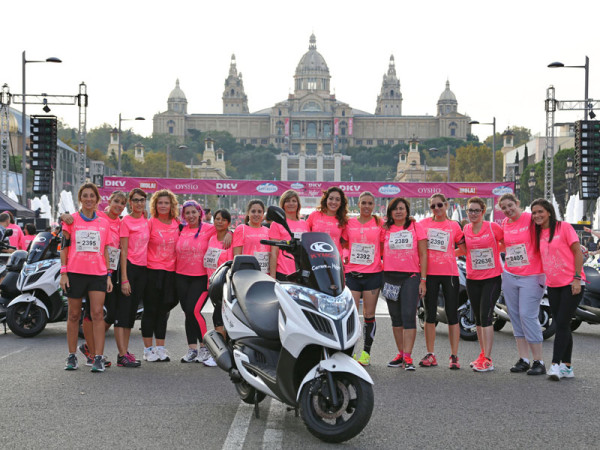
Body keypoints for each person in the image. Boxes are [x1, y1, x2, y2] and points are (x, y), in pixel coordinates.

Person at [60, 183, 112, 372]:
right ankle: (72, 355)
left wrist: (108, 275)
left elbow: (105, 250)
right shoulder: (70, 220)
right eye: (85, 196)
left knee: (98, 314)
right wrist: (63, 273)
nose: (88, 199)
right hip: (74, 273)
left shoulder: (103, 223)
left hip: (97, 274)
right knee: (73, 315)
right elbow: (64, 248)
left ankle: (98, 357)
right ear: (80, 199)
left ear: (97, 199)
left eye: (92, 196)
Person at [532, 198, 585, 380]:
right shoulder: (539, 232)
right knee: (563, 324)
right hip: (553, 285)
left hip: (572, 283)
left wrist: (577, 278)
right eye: (534, 213)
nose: (537, 215)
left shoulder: (564, 227)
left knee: (561, 323)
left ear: (548, 212)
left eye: (540, 211)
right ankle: (567, 367)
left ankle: (555, 365)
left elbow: (578, 252)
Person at [499, 193, 547, 375]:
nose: (508, 210)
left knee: (528, 315)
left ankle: (539, 361)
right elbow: (505, 245)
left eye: (510, 205)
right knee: (515, 315)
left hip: (533, 275)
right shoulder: (505, 223)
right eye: (504, 208)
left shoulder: (530, 219)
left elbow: (548, 234)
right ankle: (523, 359)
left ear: (517, 203)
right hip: (511, 275)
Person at [419, 193, 466, 369]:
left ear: (446, 205)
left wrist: (449, 254)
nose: (437, 209)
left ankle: (454, 356)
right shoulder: (423, 224)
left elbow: (464, 249)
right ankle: (431, 354)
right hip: (430, 274)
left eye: (440, 205)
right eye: (433, 206)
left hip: (450, 274)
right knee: (429, 315)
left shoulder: (454, 225)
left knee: (452, 314)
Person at [381, 197, 427, 371]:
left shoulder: (416, 227)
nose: (398, 211)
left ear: (407, 211)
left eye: (402, 208)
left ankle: (408, 356)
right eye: (395, 209)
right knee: (396, 318)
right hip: (389, 277)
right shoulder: (384, 229)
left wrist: (423, 280)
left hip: (411, 277)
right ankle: (400, 353)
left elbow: (423, 254)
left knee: (409, 315)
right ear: (390, 212)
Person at [175, 200, 221, 365]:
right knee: (187, 313)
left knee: (194, 310)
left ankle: (205, 347)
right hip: (180, 276)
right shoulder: (181, 229)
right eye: (187, 213)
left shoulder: (209, 228)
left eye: (194, 212)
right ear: (184, 216)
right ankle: (192, 349)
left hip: (201, 277)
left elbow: (224, 229)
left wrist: (229, 233)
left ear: (200, 213)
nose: (191, 215)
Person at [462, 197, 504, 372]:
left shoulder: (492, 227)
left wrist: (494, 251)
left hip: (491, 278)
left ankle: (488, 359)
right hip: (473, 278)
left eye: (476, 210)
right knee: (478, 318)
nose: (473, 213)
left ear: (483, 211)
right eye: (470, 210)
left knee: (486, 315)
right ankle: (482, 354)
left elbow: (505, 242)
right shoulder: (466, 228)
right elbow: (465, 250)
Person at [343, 192, 383, 367]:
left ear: (373, 205)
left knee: (368, 315)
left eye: (370, 203)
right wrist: (345, 254)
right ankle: (348, 352)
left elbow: (383, 245)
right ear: (358, 204)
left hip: (373, 274)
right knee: (351, 315)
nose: (367, 206)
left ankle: (366, 352)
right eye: (363, 203)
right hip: (352, 273)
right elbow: (343, 243)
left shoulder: (379, 223)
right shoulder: (349, 223)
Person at [142, 189, 180, 362]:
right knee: (150, 310)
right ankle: (148, 350)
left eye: (166, 203)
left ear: (172, 205)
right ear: (155, 205)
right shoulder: (150, 223)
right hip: (151, 271)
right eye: (160, 203)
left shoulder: (177, 224)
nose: (163, 206)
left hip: (170, 272)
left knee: (163, 311)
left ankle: (161, 348)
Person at [118, 189, 150, 366]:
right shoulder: (126, 222)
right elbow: (123, 251)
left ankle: (125, 353)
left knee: (131, 314)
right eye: (136, 200)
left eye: (142, 200)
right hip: (129, 268)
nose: (139, 203)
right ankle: (122, 354)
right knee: (124, 312)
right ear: (130, 202)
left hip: (143, 270)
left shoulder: (146, 220)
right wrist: (124, 278)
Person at [205, 209, 234, 340]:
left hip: (224, 285)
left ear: (228, 223)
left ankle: (224, 348)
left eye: (223, 219)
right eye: (217, 219)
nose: (220, 222)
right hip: (211, 285)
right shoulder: (211, 238)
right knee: (219, 316)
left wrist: (231, 233)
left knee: (220, 317)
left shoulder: (231, 241)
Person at [269, 190, 309, 281]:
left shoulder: (305, 224)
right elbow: (274, 253)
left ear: (298, 204)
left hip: (302, 273)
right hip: (283, 272)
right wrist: (272, 277)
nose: (291, 204)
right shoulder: (276, 224)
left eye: (294, 201)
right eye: (287, 201)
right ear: (283, 204)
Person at [306, 187, 348, 255]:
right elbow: (306, 236)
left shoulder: (343, 220)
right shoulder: (314, 215)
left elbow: (345, 244)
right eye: (331, 198)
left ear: (341, 203)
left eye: (337, 200)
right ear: (326, 200)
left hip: (334, 260)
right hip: (315, 258)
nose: (334, 202)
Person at [232, 200, 270, 274]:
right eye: (253, 211)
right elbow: (236, 256)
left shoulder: (268, 231)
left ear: (263, 214)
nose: (256, 214)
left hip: (265, 274)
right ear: (248, 213)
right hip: (247, 273)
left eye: (259, 211)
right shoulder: (241, 229)